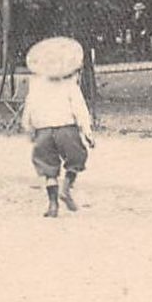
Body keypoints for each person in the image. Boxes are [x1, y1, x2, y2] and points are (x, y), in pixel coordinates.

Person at [23, 36, 96, 217]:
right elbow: (80, 109)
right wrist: (87, 131)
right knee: (77, 158)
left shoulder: (37, 85)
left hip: (44, 130)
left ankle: (53, 204)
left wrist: (29, 129)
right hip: (66, 128)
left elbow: (29, 108)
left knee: (48, 167)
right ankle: (67, 187)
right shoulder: (69, 85)